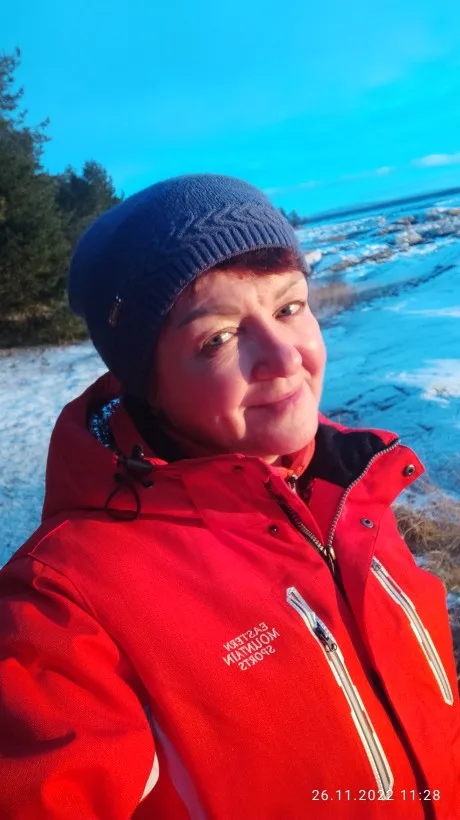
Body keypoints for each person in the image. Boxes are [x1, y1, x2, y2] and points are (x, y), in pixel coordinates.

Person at [0, 174, 458, 820]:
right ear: (150, 388)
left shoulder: (349, 487)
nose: (283, 357)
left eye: (290, 307)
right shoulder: (64, 607)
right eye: (218, 338)